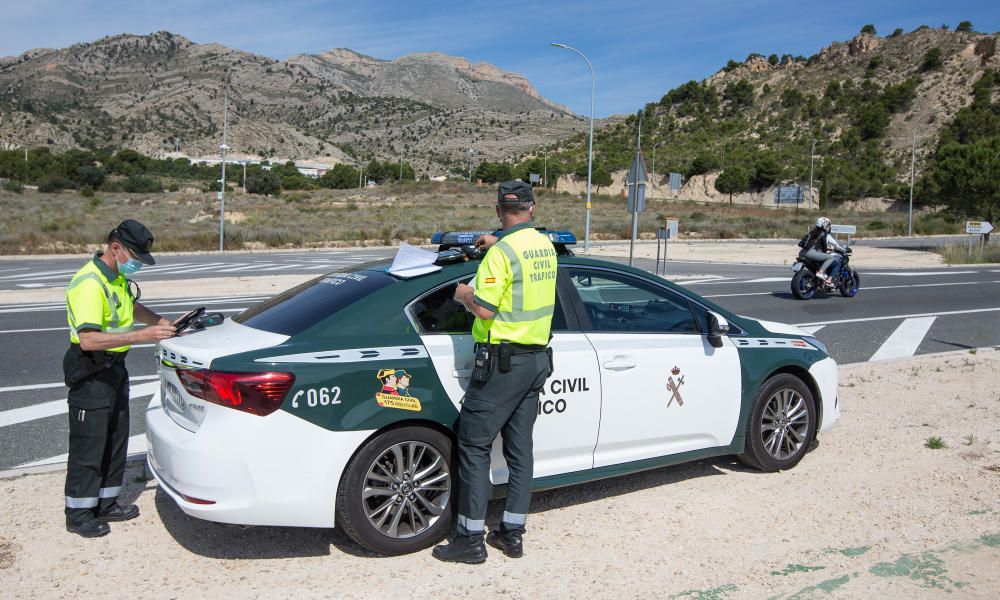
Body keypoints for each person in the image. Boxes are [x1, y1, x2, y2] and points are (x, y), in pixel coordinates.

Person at [432, 181, 557, 564]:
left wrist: (460, 294)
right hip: (536, 360)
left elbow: (484, 308)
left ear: (498, 208)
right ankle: (512, 534)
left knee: (474, 446)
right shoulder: (544, 246)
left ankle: (470, 539)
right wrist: (497, 241)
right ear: (532, 209)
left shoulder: (500, 254)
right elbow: (518, 256)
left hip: (503, 363)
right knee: (521, 452)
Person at [63, 220, 176, 537]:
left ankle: (107, 503)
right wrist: (146, 335)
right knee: (89, 443)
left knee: (115, 437)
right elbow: (88, 339)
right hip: (91, 368)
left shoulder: (115, 279)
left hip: (114, 367)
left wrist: (161, 323)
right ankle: (79, 512)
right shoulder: (89, 283)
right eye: (135, 257)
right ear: (115, 248)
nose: (137, 264)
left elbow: (132, 306)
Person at [798, 216, 847, 284]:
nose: (828, 227)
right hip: (811, 253)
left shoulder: (812, 232)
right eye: (828, 225)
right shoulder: (825, 234)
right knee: (831, 258)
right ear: (824, 225)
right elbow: (836, 246)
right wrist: (845, 250)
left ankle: (819, 279)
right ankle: (821, 273)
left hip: (802, 252)